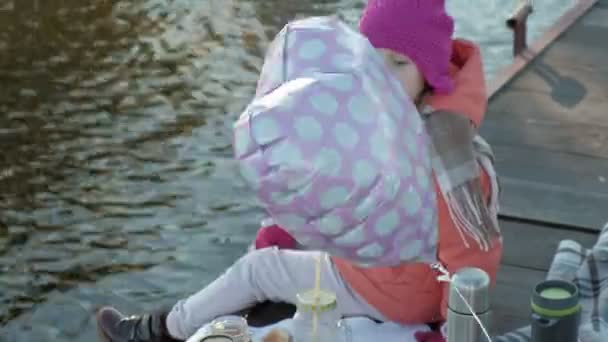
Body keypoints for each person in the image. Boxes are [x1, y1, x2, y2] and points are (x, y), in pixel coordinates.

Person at [95, 1, 502, 341]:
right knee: (281, 236)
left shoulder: (444, 157)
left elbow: (469, 258)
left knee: (258, 269)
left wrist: (450, 334)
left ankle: (155, 331)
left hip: (396, 290)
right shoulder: (397, 121)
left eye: (398, 63)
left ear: (429, 74)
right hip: (390, 269)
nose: (381, 77)